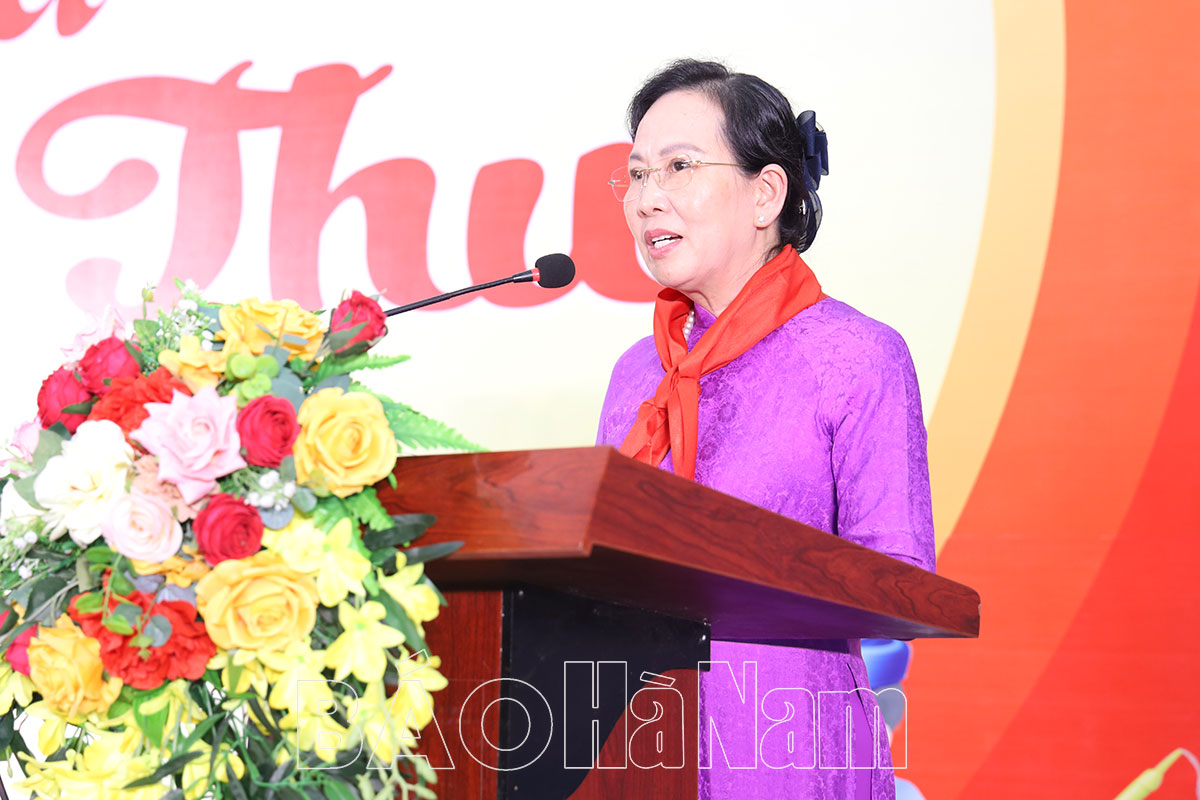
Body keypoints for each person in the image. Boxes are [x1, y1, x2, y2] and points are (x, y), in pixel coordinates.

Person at [595, 59, 936, 800]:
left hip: (788, 750)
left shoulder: (856, 356)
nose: (647, 198)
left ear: (766, 192)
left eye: (678, 167)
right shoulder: (636, 374)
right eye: (637, 175)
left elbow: (900, 583)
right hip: (634, 750)